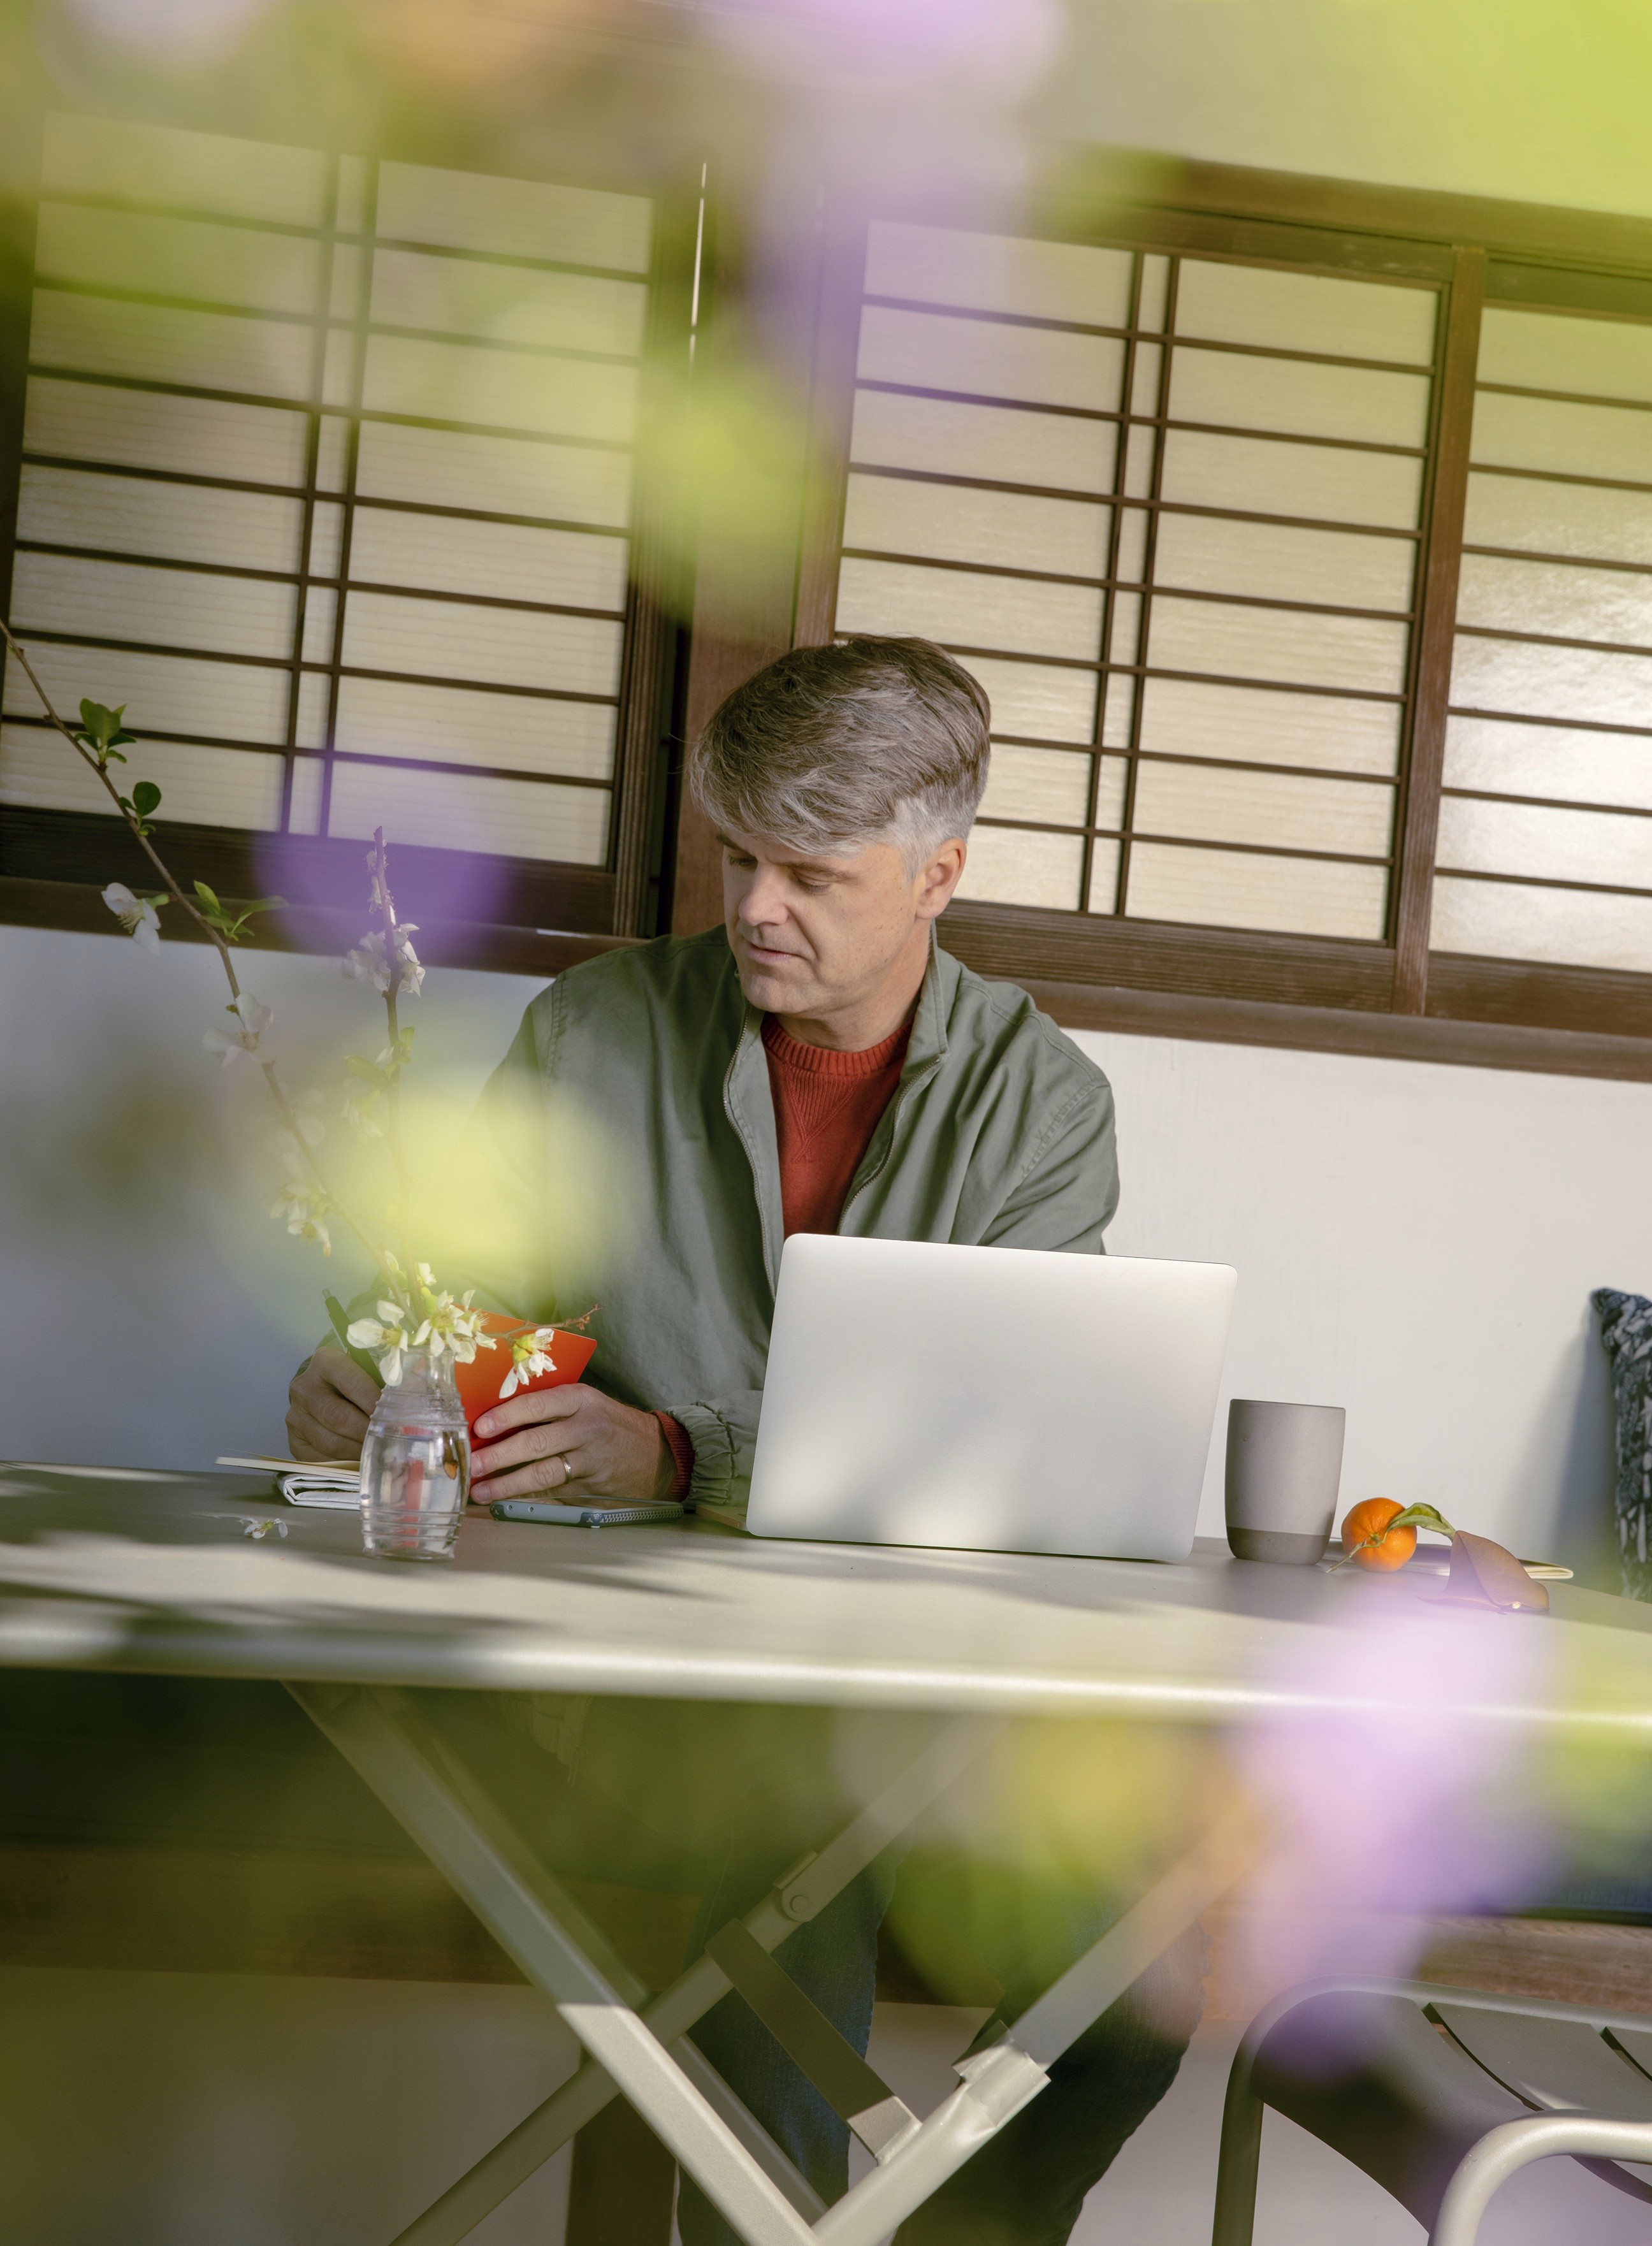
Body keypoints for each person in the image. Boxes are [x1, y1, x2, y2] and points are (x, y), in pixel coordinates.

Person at [286, 635, 1202, 2246]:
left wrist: (683, 1454)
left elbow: (1010, 1450)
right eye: (737, 857)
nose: (755, 905)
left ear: (939, 874)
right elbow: (452, 1306)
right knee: (786, 1843)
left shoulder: (1042, 1102)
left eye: (809, 872)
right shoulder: (597, 1031)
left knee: (1171, 1930)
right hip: (648, 1708)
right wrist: (374, 1369)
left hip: (955, 1722)